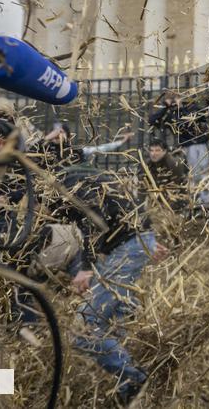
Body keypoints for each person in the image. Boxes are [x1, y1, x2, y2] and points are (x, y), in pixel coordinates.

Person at [57, 170, 169, 405]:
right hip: (131, 242)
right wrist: (142, 239)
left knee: (83, 329)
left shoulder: (67, 180)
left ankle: (135, 380)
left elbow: (93, 218)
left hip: (128, 245)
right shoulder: (80, 173)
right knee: (115, 321)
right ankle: (130, 385)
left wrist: (87, 267)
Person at [147, 89, 209, 182]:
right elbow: (152, 121)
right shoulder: (170, 114)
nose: (176, 100)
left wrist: (208, 100)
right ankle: (195, 192)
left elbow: (206, 115)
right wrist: (165, 107)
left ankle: (203, 192)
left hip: (200, 142)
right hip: (186, 145)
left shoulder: (192, 108)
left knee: (203, 168)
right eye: (174, 98)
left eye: (178, 97)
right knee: (193, 170)